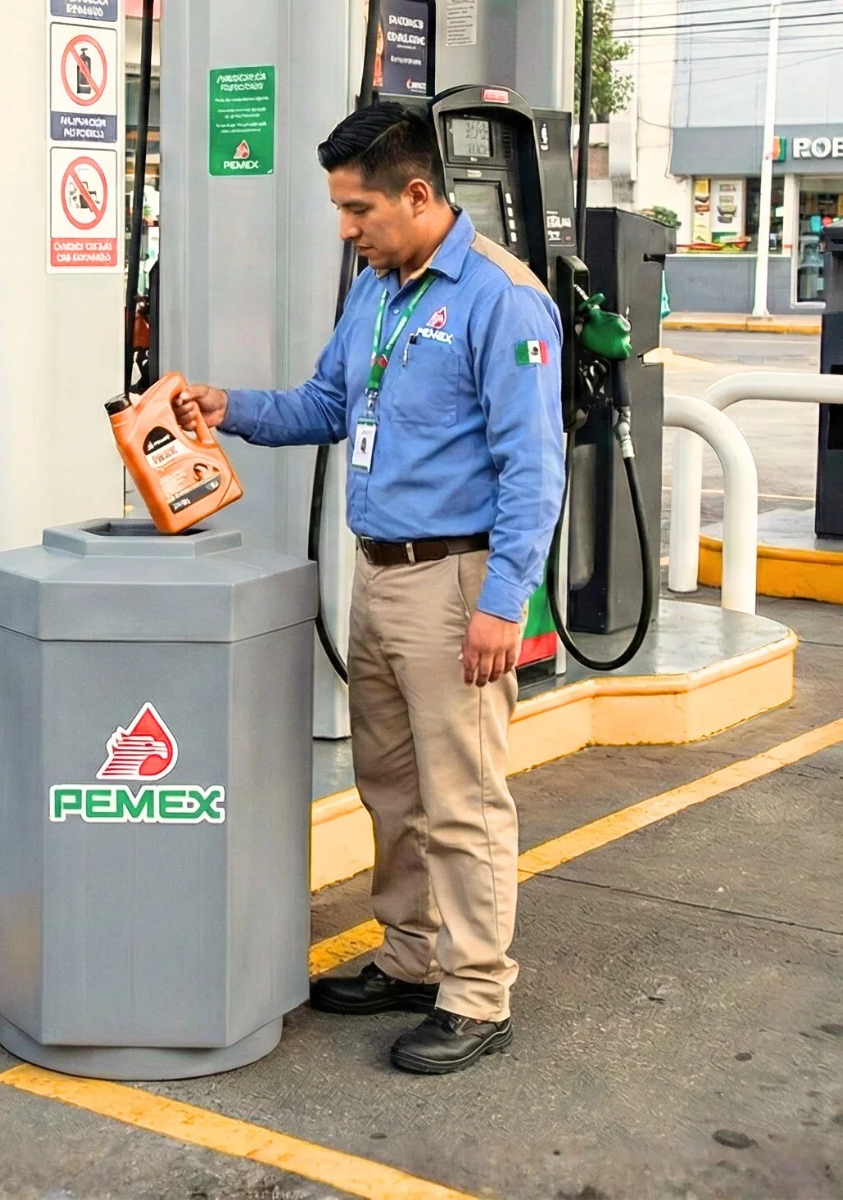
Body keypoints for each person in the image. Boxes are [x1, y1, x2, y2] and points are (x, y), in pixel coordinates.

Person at [174, 102, 565, 1075]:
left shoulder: (501, 299)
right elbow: (326, 405)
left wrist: (501, 602)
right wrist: (233, 408)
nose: (347, 230)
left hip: (458, 581)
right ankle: (409, 955)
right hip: (379, 574)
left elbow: (535, 470)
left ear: (418, 194)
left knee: (464, 796)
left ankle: (477, 996)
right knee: (389, 784)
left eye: (358, 210)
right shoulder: (377, 292)